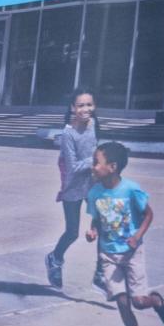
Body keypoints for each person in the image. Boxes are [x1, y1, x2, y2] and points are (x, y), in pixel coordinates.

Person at [84, 142, 164, 326]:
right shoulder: (94, 192)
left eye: (97, 162)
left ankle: (156, 301)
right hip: (108, 254)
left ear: (112, 167)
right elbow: (96, 218)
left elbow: (148, 214)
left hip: (132, 253)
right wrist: (92, 230)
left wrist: (137, 236)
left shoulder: (131, 190)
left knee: (138, 302)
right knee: (123, 305)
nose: (93, 166)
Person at [45, 89, 105, 291]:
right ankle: (55, 258)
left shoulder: (95, 125)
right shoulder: (68, 134)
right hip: (73, 186)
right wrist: (96, 160)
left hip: (93, 185)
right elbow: (73, 167)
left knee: (104, 227)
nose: (85, 109)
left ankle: (101, 273)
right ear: (73, 108)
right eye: (80, 105)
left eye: (89, 104)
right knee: (72, 232)